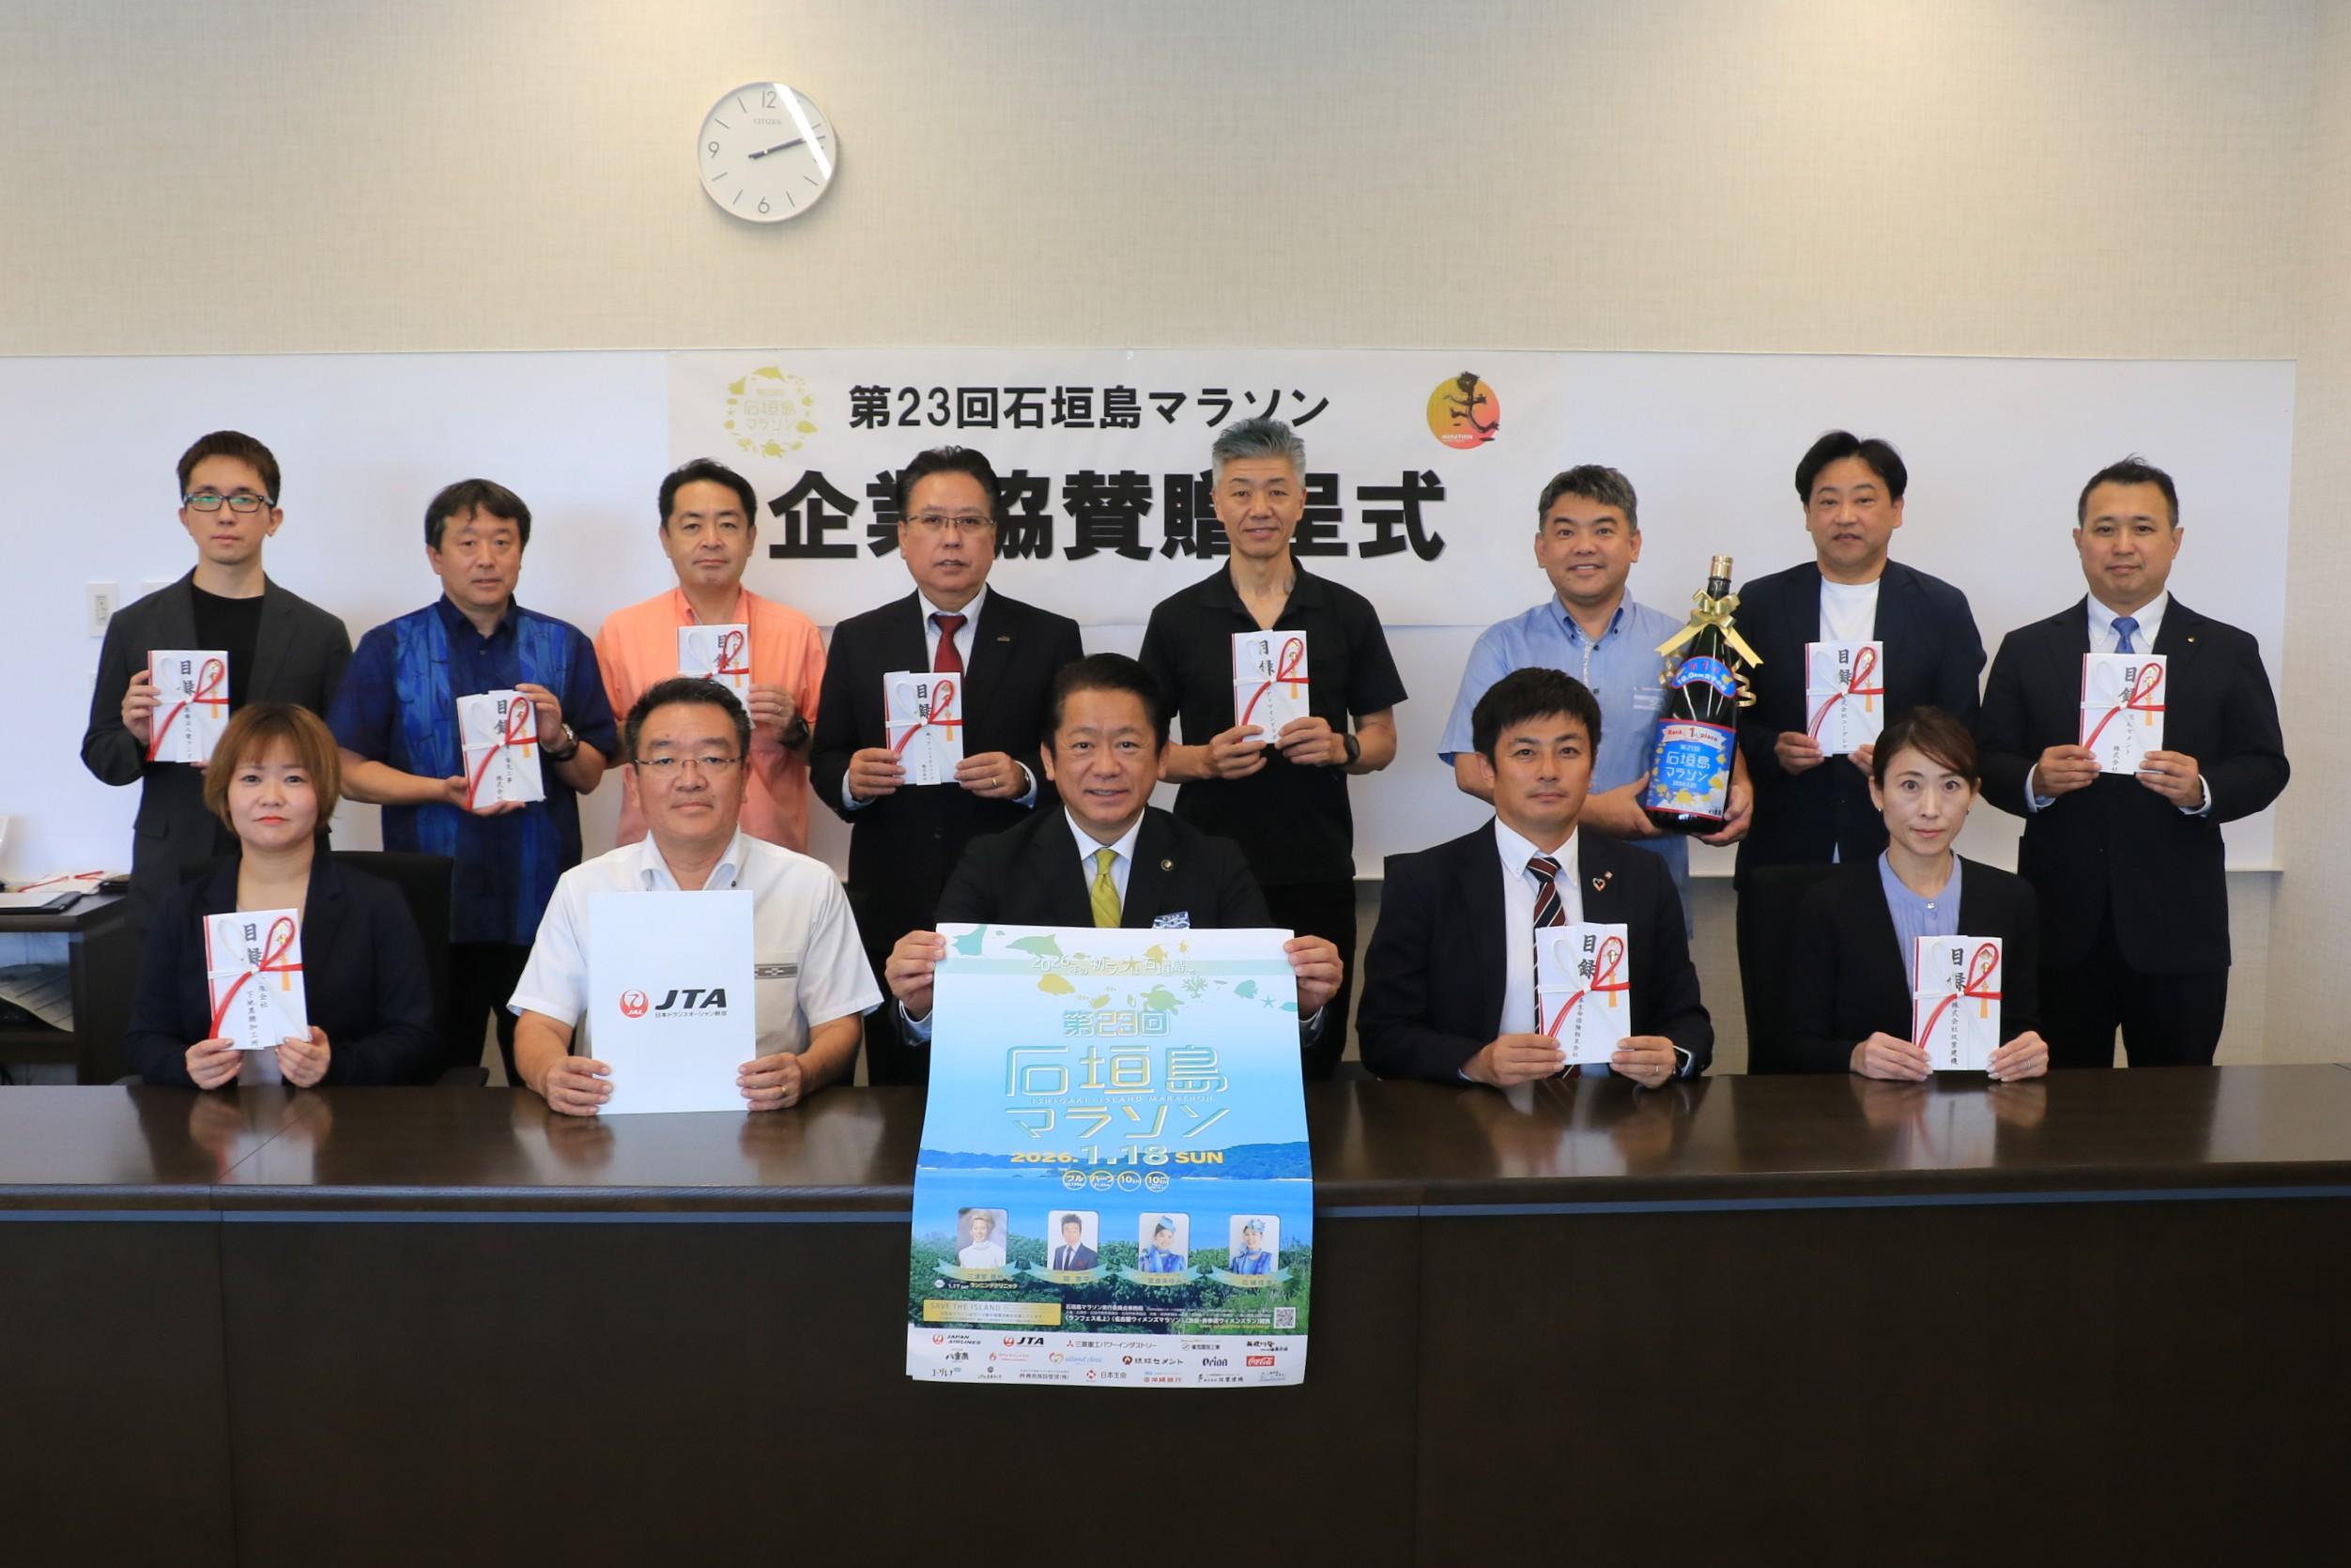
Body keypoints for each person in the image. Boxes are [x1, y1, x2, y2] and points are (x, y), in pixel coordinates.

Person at [1975, 457, 2289, 1067]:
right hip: (2061, 928)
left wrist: (2202, 788)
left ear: (2175, 540)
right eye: (2105, 528)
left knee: (2178, 1109)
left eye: (2143, 528)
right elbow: (1986, 759)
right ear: (2079, 540)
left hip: (2180, 931)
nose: (2123, 545)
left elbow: (2265, 764)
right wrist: (2036, 779)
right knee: (2059, 1109)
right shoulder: (2028, 648)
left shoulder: (2226, 649)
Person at [883, 655, 1343, 1050]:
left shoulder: (1215, 863)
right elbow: (944, 1024)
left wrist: (1300, 1005)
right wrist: (921, 1006)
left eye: (1127, 745)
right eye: (1083, 745)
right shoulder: (992, 862)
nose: (1106, 767)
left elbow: (1258, 1016)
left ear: (1162, 757)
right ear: (1049, 759)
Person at [1138, 417, 1405, 1077]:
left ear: (1302, 501)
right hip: (1201, 869)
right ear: (1215, 502)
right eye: (1242, 491)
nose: (1260, 508)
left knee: (1310, 1052)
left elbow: (1382, 739)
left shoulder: (1347, 612)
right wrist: (1203, 760)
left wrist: (1342, 747)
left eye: (1277, 491)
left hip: (1316, 868)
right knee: (1200, 1047)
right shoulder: (1176, 618)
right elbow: (1144, 751)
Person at [811, 446, 1083, 1085]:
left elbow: (1076, 754)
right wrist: (852, 780)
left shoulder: (1050, 636)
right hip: (896, 899)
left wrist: (1025, 778)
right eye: (933, 521)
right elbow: (825, 757)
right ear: (903, 536)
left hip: (1019, 898)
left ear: (996, 535)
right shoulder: (859, 638)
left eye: (969, 521)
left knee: (1023, 1075)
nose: (951, 539)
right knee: (901, 1091)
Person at [330, 479, 617, 1083]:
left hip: (541, 904)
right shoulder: (389, 647)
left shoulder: (564, 645)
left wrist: (556, 738)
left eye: (502, 542)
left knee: (550, 1079)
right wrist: (440, 790)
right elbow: (347, 772)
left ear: (520, 553)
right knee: (435, 1079)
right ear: (435, 556)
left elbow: (591, 774)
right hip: (433, 907)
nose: (487, 558)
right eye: (468, 542)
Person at [508, 678, 881, 1115]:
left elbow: (839, 1024)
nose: (690, 780)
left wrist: (804, 1071)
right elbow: (539, 1023)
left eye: (713, 758)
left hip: (769, 1125)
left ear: (744, 776)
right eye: (665, 759)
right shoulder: (584, 888)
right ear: (633, 781)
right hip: (614, 1124)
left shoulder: (808, 884)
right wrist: (550, 1073)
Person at [1733, 432, 1988, 1048]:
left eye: (1864, 499)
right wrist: (1773, 750)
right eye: (1827, 501)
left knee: (1896, 1036)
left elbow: (1963, 730)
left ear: (1896, 510)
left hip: (1901, 861)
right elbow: (1725, 721)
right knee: (1782, 1038)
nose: (1845, 516)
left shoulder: (1941, 608)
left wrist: (1906, 758)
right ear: (1807, 513)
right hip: (1783, 856)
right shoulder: (1758, 605)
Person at [1358, 668, 1712, 1087]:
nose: (1549, 771)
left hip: (1613, 1113)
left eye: (1568, 751)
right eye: (1525, 752)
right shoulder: (1425, 882)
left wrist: (1672, 1056)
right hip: (1474, 1116)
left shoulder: (1642, 876)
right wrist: (1475, 1062)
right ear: (1487, 768)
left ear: (1592, 767)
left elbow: (1687, 1020)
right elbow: (1383, 1036)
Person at [1438, 464, 1752, 930]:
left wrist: (1739, 795)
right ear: (1541, 548)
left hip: (1649, 885)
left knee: (1651, 979)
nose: (1584, 546)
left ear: (1634, 544)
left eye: (1603, 530)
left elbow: (1723, 754)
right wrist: (1597, 813)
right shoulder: (1502, 645)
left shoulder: (1683, 644)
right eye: (1566, 531)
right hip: (1526, 888)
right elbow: (1471, 770)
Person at [82, 431, 353, 933]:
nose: (225, 515)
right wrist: (137, 736)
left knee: (291, 982)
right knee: (172, 983)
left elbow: (341, 760)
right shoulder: (136, 625)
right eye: (206, 498)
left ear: (273, 518)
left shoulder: (320, 633)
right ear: (185, 516)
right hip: (173, 860)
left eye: (244, 499)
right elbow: (102, 756)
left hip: (287, 858)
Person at [120, 704, 437, 1088]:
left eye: (294, 779)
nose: (271, 797)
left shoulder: (376, 904)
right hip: (215, 1115)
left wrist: (335, 1064)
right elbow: (145, 1038)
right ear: (225, 792)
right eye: (251, 778)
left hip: (340, 1116)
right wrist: (184, 1066)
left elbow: (414, 1036)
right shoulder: (182, 908)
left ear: (322, 791)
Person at [1788, 708, 2050, 1080]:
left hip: (1976, 1107)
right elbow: (1798, 1046)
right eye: (1910, 786)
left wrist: (2028, 1051)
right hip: (1863, 1110)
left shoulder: (2011, 899)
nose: (1930, 809)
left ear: (1973, 794)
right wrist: (1854, 1056)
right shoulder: (1828, 904)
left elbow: (2020, 1026)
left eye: (1950, 786)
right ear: (1877, 791)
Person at [595, 459, 826, 852]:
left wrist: (793, 729)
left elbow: (829, 755)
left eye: (728, 524)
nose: (712, 540)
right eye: (692, 526)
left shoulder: (795, 632)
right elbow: (598, 754)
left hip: (768, 855)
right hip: (654, 858)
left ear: (751, 538)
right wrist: (649, 723)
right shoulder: (622, 632)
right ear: (665, 539)